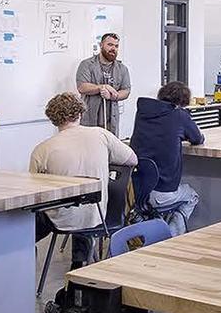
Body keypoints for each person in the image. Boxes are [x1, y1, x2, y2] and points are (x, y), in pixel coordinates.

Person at [29, 92, 139, 268]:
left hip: (61, 219)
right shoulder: (101, 135)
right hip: (98, 215)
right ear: (80, 113)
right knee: (82, 208)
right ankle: (79, 264)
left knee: (24, 224)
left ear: (53, 119)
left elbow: (33, 194)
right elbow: (133, 160)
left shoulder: (42, 150)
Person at [130, 81, 206, 233]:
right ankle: (168, 237)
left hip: (135, 191)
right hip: (162, 194)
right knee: (191, 196)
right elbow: (197, 139)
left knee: (153, 204)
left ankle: (149, 226)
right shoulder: (179, 115)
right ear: (181, 102)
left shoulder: (143, 113)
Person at [75, 32, 132, 133]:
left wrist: (112, 96)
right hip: (90, 118)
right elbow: (82, 87)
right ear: (101, 45)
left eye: (116, 46)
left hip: (111, 119)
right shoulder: (86, 64)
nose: (113, 49)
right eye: (110, 45)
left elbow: (126, 91)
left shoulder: (122, 69)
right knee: (90, 145)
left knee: (110, 146)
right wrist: (102, 87)